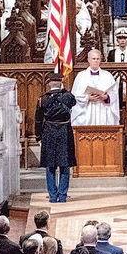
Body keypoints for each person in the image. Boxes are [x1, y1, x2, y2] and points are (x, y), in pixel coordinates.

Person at [35, 73, 76, 203]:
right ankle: (62, 196)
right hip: (64, 132)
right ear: (61, 83)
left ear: (49, 84)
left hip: (49, 132)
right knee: (65, 165)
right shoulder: (68, 96)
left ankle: (53, 196)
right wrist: (63, 90)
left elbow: (38, 120)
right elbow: (73, 102)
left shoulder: (42, 99)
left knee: (50, 166)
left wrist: (38, 136)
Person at [70, 49, 119, 126]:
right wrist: (87, 98)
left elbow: (114, 94)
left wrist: (107, 97)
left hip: (103, 110)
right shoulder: (81, 76)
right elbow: (75, 96)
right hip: (87, 111)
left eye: (98, 59)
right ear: (88, 60)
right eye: (93, 59)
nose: (96, 61)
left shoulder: (108, 75)